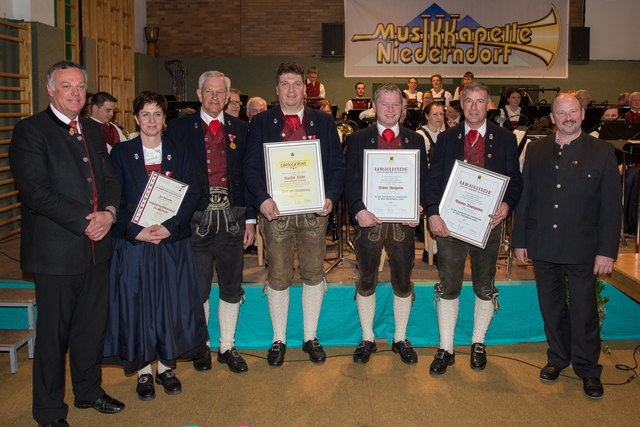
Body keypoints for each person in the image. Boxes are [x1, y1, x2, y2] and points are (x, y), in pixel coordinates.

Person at [9, 60, 125, 425]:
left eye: (80, 87)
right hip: (56, 254)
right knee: (52, 339)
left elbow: (111, 178)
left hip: (97, 248)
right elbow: (35, 192)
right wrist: (84, 222)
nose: (75, 93)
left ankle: (89, 391)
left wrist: (108, 212)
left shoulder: (93, 129)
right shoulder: (31, 131)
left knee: (91, 328)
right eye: (66, 86)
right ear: (50, 90)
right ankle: (48, 411)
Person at [512, 93, 622, 399]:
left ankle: (588, 368)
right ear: (553, 116)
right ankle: (558, 358)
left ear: (583, 113)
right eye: (562, 113)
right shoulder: (535, 150)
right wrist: (520, 240)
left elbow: (612, 207)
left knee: (584, 310)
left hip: (583, 247)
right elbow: (526, 197)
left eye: (573, 111)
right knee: (552, 306)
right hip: (544, 243)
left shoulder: (602, 152)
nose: (568, 117)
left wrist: (606, 250)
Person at [103, 91, 209, 401]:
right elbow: (114, 200)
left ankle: (165, 366)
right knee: (139, 307)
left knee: (169, 305)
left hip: (170, 242)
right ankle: (144, 372)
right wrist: (134, 231)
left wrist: (169, 227)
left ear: (165, 119)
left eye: (157, 115)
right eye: (145, 114)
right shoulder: (121, 154)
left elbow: (193, 194)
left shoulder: (180, 150)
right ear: (135, 118)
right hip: (134, 245)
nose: (151, 120)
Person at [244, 61, 345, 366]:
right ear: (276, 90)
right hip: (275, 213)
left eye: (296, 84)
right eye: (285, 84)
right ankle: (279, 339)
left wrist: (330, 196)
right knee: (278, 275)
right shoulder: (261, 122)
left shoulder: (324, 122)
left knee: (314, 273)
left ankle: (310, 336)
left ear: (306, 88)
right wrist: (261, 200)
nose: (291, 89)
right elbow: (249, 166)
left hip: (315, 213)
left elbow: (337, 167)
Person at [425, 81, 522, 375]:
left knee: (483, 284)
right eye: (469, 101)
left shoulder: (506, 139)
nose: (475, 107)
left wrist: (507, 204)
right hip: (451, 225)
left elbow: (515, 181)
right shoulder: (447, 138)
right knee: (449, 284)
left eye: (480, 101)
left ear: (489, 104)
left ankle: (478, 342)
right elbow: (432, 179)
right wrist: (432, 212)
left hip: (489, 225)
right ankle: (446, 347)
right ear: (460, 104)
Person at [165, 70, 255, 374]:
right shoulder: (177, 129)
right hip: (194, 219)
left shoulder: (242, 129)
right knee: (198, 287)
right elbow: (170, 175)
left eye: (221, 92)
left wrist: (251, 220)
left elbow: (250, 176)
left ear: (228, 96)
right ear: (200, 94)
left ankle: (227, 346)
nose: (215, 97)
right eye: (209, 92)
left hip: (233, 218)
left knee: (232, 285)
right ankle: (200, 345)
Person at [344, 84, 427, 364]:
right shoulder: (357, 140)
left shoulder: (415, 140)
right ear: (374, 106)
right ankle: (367, 337)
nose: (390, 110)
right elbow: (350, 181)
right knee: (366, 279)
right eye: (385, 104)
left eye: (396, 105)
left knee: (403, 280)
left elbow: (424, 181)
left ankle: (400, 337)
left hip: (403, 223)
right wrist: (358, 210)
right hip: (370, 221)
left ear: (403, 109)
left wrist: (420, 206)